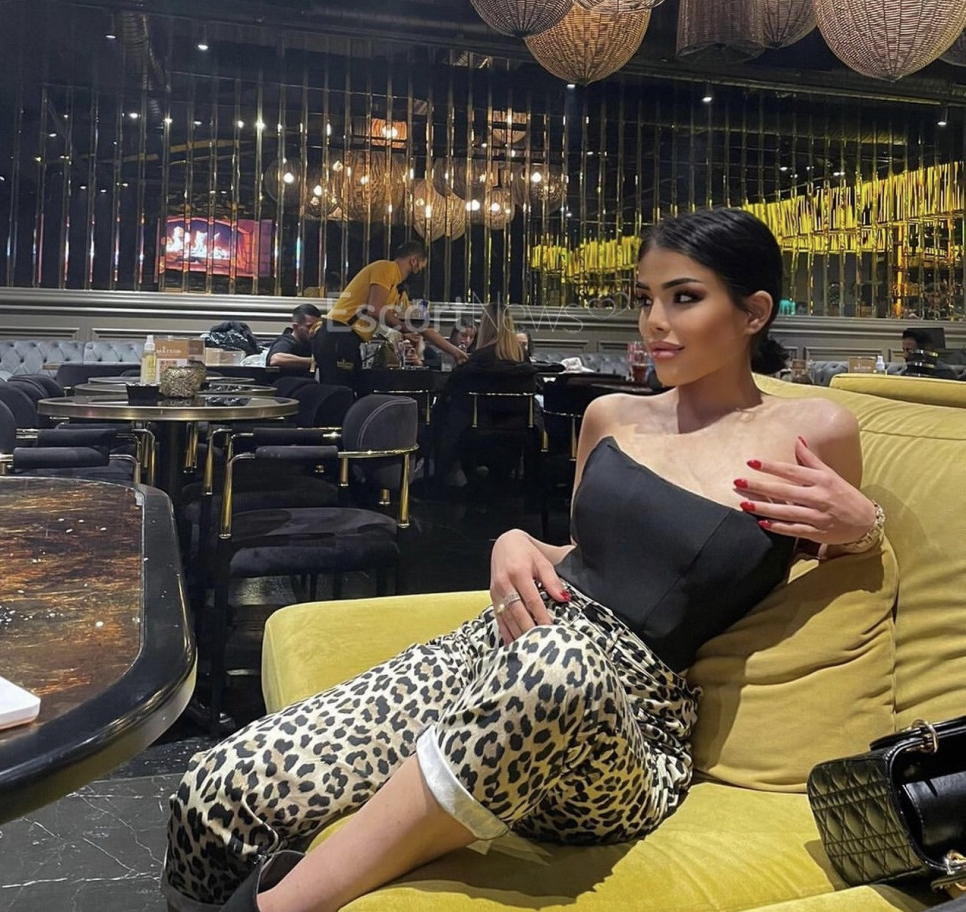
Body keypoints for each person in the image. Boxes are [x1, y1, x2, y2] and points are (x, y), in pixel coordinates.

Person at [162, 207, 883, 912]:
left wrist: (863, 527)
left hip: (625, 722)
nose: (653, 323)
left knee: (557, 661)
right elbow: (591, 553)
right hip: (500, 645)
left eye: (684, 298)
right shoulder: (612, 416)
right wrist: (516, 541)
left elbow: (834, 564)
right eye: (645, 299)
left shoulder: (812, 429)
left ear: (754, 312)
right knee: (217, 788)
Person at [313, 241, 466, 388]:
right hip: (337, 334)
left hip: (349, 340)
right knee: (339, 392)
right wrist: (403, 328)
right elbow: (375, 310)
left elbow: (421, 326)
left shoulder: (399, 291)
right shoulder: (385, 268)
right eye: (420, 268)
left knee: (352, 390)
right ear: (413, 261)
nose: (419, 273)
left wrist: (455, 352)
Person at [433, 304, 539, 487]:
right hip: (518, 427)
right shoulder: (522, 357)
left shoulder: (478, 358)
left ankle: (445, 476)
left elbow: (452, 387)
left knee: (446, 411)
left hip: (477, 428)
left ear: (484, 327)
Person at [265, 304, 322, 371]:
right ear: (295, 327)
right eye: (309, 327)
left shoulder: (315, 342)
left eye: (317, 326)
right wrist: (313, 362)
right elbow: (276, 359)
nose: (314, 330)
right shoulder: (286, 341)